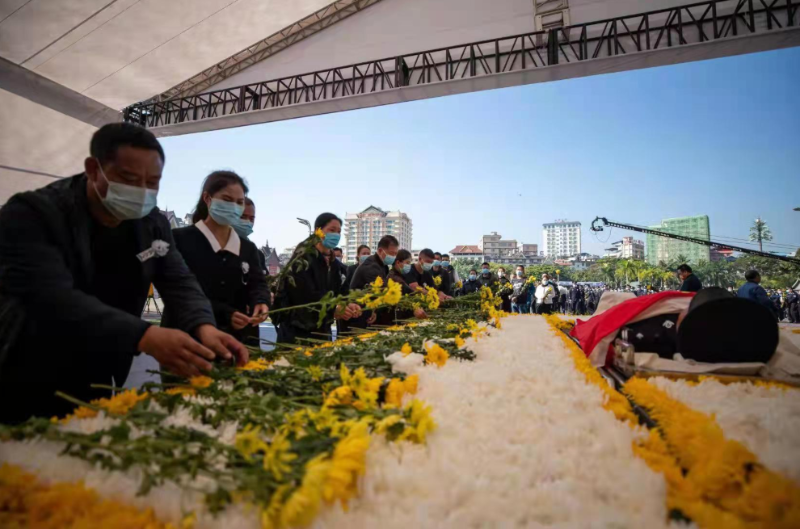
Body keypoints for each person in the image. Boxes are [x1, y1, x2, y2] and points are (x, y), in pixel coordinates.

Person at [0, 123, 247, 424]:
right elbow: (50, 297)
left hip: (102, 365)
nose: (141, 191)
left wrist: (204, 326)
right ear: (93, 169)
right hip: (30, 362)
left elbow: (179, 280)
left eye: (152, 182)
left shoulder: (152, 223)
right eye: (129, 179)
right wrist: (144, 335)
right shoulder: (33, 213)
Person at [164, 171, 270, 346]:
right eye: (227, 200)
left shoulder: (247, 248)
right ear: (207, 198)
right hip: (186, 340)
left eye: (239, 202)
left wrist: (261, 302)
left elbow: (258, 283)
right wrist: (225, 313)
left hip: (235, 342)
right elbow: (177, 291)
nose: (234, 207)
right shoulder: (179, 239)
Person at [274, 213, 361, 344]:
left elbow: (338, 293)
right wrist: (333, 309)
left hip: (322, 330)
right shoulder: (302, 258)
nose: (336, 235)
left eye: (339, 232)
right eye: (332, 230)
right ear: (318, 231)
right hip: (298, 332)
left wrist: (347, 304)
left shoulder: (334, 264)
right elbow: (304, 296)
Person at [350, 235, 400, 328]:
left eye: (395, 254)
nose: (393, 257)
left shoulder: (382, 265)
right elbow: (383, 291)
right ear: (380, 251)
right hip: (357, 312)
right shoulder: (371, 266)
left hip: (367, 311)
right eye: (391, 253)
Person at [387, 249, 427, 320]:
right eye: (407, 263)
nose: (409, 266)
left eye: (410, 263)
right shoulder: (395, 278)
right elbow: (409, 293)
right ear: (398, 262)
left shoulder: (400, 275)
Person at [235, 197, 267, 275]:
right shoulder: (218, 248)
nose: (248, 222)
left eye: (251, 219)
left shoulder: (258, 255)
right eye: (243, 217)